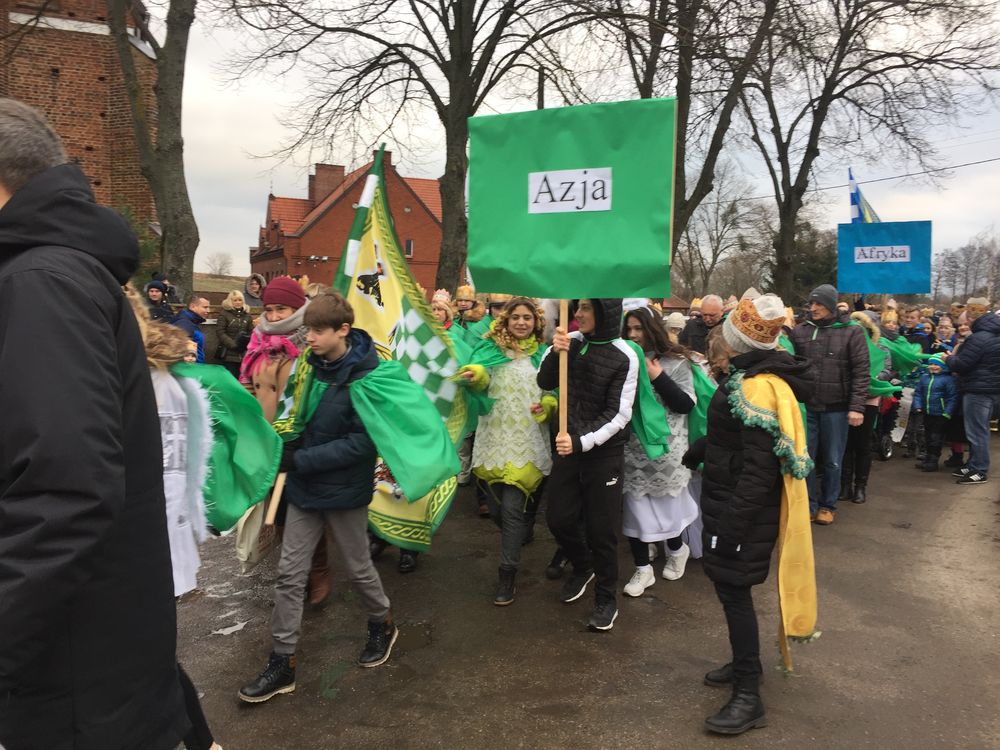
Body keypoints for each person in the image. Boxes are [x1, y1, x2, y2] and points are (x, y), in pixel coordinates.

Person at [0, 97, 187, 749]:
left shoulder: (40, 282)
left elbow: (64, 491)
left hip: (69, 683)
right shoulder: (51, 275)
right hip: (82, 668)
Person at [239, 293, 397, 703]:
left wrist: (300, 458)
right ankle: (282, 661)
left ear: (343, 330)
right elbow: (294, 417)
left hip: (344, 491)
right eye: (307, 329)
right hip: (304, 488)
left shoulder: (368, 376)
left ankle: (381, 621)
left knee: (359, 569)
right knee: (290, 575)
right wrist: (284, 442)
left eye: (317, 331)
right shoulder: (307, 367)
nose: (308, 337)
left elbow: (362, 444)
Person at [683, 292, 816, 736]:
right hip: (731, 503)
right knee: (730, 593)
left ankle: (748, 695)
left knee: (735, 593)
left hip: (740, 513)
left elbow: (759, 471)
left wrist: (731, 528)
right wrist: (702, 450)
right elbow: (737, 440)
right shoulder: (748, 376)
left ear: (736, 341)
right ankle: (746, 664)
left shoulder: (756, 387)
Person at [537, 298, 640, 632]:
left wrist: (581, 441)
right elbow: (545, 382)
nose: (578, 314)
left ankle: (606, 598)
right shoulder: (570, 341)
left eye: (586, 309)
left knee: (602, 530)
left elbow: (619, 414)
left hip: (603, 454)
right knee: (558, 518)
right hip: (568, 449)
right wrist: (555, 352)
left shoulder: (625, 355)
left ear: (605, 312)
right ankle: (583, 565)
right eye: (577, 307)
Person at [458, 297, 554, 605]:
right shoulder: (490, 349)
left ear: (536, 322)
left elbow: (553, 391)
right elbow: (480, 377)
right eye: (516, 317)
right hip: (494, 437)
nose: (522, 322)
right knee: (498, 512)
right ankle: (523, 528)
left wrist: (548, 406)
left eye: (528, 317)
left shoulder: (544, 354)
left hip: (527, 438)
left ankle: (507, 574)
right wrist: (475, 375)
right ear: (506, 320)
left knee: (511, 509)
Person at [620, 306, 698, 595]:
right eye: (628, 329)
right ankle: (642, 570)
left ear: (652, 329)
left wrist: (658, 377)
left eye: (638, 328)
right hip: (632, 450)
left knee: (668, 511)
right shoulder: (624, 359)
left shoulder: (676, 362)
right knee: (635, 511)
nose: (633, 334)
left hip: (667, 451)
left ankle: (677, 550)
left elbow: (685, 404)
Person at [789, 284, 869, 525]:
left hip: (836, 407)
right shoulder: (801, 331)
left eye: (819, 304)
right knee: (806, 458)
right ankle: (808, 504)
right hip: (807, 407)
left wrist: (856, 407)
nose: (813, 308)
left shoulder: (852, 332)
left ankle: (828, 505)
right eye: (811, 303)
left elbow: (861, 372)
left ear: (831, 306)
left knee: (833, 460)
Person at [942, 299, 1000, 485]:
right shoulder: (996, 333)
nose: (963, 325)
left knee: (976, 431)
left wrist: (948, 359)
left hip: (978, 389)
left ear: (972, 318)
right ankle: (973, 464)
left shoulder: (978, 338)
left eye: (965, 321)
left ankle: (979, 470)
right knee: (980, 428)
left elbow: (962, 364)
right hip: (993, 389)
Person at [841, 311, 895, 504]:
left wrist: (875, 377)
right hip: (845, 399)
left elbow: (887, 370)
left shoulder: (881, 347)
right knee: (846, 443)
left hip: (869, 399)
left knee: (863, 444)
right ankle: (845, 485)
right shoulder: (845, 346)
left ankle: (860, 486)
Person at [240, 275, 309, 421]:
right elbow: (248, 383)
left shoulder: (311, 337)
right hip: (262, 425)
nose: (273, 317)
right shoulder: (259, 337)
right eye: (269, 310)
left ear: (297, 308)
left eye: (281, 309)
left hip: (293, 427)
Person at [912, 354, 958, 472]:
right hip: (927, 413)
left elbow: (952, 398)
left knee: (936, 438)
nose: (933, 367)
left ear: (943, 366)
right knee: (927, 436)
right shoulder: (924, 378)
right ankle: (928, 459)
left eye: (936, 364)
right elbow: (918, 393)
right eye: (931, 364)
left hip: (941, 414)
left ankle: (933, 461)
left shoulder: (948, 380)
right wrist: (917, 406)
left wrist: (947, 413)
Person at [216, 290, 254, 377]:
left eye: (240, 300)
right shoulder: (224, 314)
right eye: (235, 300)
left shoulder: (247, 315)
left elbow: (251, 331)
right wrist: (232, 344)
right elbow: (220, 332)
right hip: (228, 352)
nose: (238, 302)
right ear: (230, 301)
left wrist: (246, 344)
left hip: (243, 352)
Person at [173, 293, 211, 363]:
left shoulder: (191, 322)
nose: (208, 311)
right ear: (192, 306)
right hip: (189, 367)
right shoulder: (184, 324)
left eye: (208, 307)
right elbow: (180, 351)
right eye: (205, 307)